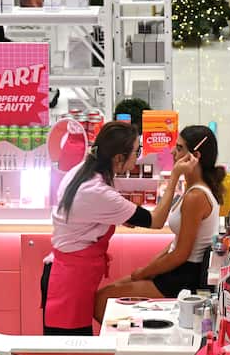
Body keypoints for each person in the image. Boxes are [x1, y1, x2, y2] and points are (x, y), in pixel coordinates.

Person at [93, 125, 223, 321]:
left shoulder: (196, 196)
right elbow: (174, 245)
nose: (172, 152)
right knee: (108, 292)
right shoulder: (192, 191)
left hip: (183, 278)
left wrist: (146, 271)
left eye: (179, 148)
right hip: (174, 271)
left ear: (194, 156)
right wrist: (147, 270)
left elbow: (180, 253)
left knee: (103, 300)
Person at [42, 122, 153, 336]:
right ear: (119, 157)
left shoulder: (85, 172)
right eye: (136, 152)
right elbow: (153, 220)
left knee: (78, 350)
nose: (138, 158)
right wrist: (177, 175)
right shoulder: (97, 189)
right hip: (68, 281)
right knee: (69, 353)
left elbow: (91, 215)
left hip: (71, 275)